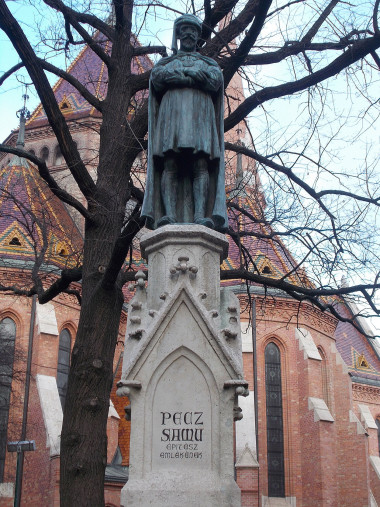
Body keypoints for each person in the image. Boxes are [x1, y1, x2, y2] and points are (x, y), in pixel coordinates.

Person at [141, 14, 228, 231]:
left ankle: (200, 216)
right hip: (172, 116)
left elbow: (215, 81)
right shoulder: (165, 63)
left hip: (201, 118)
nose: (189, 34)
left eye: (194, 31)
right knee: (170, 163)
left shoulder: (208, 64)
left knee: (201, 165)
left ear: (198, 36)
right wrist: (193, 76)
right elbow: (159, 78)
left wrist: (183, 76)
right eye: (185, 30)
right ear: (179, 34)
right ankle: (168, 215)